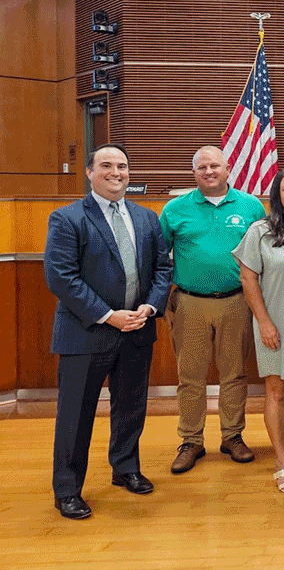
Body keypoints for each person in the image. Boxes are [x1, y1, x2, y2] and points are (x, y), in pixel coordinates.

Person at [45, 144, 172, 519]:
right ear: (89, 172)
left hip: (137, 328)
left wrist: (149, 307)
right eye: (106, 165)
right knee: (76, 414)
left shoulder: (148, 218)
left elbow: (163, 269)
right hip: (85, 332)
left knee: (131, 406)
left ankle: (126, 468)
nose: (116, 172)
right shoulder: (67, 218)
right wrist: (107, 315)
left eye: (122, 166)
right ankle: (67, 488)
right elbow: (61, 277)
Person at [160, 146, 266, 474]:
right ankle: (191, 440)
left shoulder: (251, 206)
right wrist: (163, 303)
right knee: (190, 375)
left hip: (237, 301)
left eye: (214, 165)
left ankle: (232, 436)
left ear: (228, 168)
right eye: (202, 167)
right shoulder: (175, 209)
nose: (209, 171)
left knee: (234, 372)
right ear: (194, 173)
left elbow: (265, 253)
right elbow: (159, 258)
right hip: (189, 302)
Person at [233, 168, 284, 494]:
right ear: (277, 196)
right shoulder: (261, 230)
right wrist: (264, 322)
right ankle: (280, 459)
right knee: (277, 390)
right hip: (275, 322)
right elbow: (248, 278)